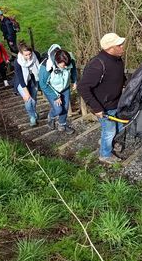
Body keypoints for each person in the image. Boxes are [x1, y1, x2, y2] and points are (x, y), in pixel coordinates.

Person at [78, 33, 126, 164]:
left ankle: (106, 141)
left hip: (116, 102)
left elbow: (120, 77)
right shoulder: (97, 64)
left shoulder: (118, 60)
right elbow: (82, 87)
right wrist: (96, 108)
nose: (122, 47)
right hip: (103, 106)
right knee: (109, 130)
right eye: (119, 45)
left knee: (119, 127)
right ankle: (105, 154)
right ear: (110, 48)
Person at [39, 44, 78, 135]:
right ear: (56, 61)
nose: (65, 67)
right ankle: (51, 116)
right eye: (63, 65)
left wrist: (74, 81)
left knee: (65, 107)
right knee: (58, 109)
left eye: (67, 65)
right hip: (51, 89)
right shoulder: (46, 67)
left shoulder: (69, 60)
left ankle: (62, 125)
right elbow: (43, 84)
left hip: (65, 87)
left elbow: (73, 70)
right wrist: (55, 97)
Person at [13, 43, 42, 126]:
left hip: (33, 79)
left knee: (33, 99)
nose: (29, 57)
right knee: (28, 99)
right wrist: (26, 92)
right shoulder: (17, 62)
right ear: (21, 54)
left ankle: (34, 112)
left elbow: (38, 68)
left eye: (30, 54)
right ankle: (32, 117)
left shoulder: (35, 55)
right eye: (26, 55)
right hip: (22, 82)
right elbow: (21, 79)